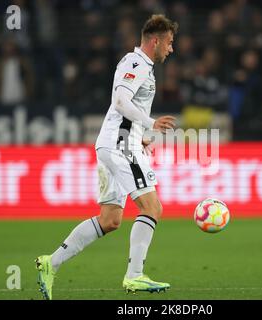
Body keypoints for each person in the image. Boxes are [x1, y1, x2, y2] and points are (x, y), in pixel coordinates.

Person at [35, 14, 178, 300]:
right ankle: (135, 276)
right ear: (156, 41)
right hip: (119, 145)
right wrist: (149, 123)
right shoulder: (135, 63)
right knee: (152, 207)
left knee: (110, 219)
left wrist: (141, 136)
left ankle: (50, 263)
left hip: (118, 142)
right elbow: (120, 100)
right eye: (170, 43)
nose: (171, 49)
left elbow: (125, 109)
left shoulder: (142, 67)